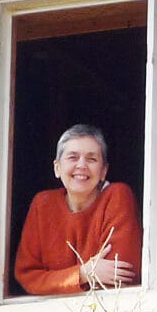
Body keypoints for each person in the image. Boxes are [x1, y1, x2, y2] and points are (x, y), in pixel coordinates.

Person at [15, 124, 141, 294]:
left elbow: (118, 276)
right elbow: (28, 277)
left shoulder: (117, 196)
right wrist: (83, 274)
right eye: (72, 157)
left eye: (91, 159)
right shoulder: (43, 204)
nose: (81, 165)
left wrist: (53, 281)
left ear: (104, 171)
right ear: (57, 168)